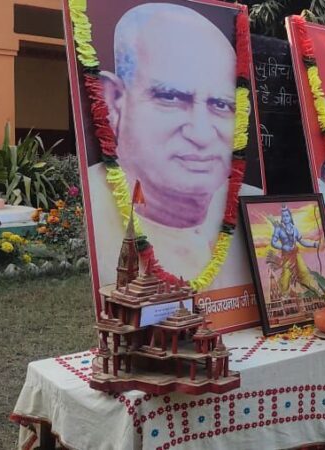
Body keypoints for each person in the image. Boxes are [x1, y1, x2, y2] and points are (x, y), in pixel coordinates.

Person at [88, 3, 260, 290]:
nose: (201, 134)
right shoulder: (87, 216)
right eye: (171, 98)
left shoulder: (257, 212)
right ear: (113, 103)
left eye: (221, 105)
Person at [270, 205, 319, 295]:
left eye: (287, 216)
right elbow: (273, 242)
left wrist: (314, 244)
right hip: (286, 256)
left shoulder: (294, 229)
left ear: (290, 217)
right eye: (283, 216)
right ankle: (284, 294)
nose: (285, 218)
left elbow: (302, 241)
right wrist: (283, 247)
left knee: (304, 271)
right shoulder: (278, 229)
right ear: (281, 218)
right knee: (286, 276)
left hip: (296, 253)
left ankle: (312, 290)